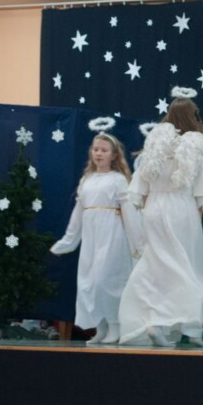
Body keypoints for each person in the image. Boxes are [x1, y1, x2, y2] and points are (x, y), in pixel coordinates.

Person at [118, 91, 203, 347]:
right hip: (182, 209)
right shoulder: (196, 145)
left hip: (154, 207)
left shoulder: (155, 144)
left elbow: (139, 188)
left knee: (156, 267)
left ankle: (155, 322)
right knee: (187, 267)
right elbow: (202, 194)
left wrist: (147, 211)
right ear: (193, 116)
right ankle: (189, 326)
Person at [50, 124, 143, 345]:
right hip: (92, 238)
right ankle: (100, 328)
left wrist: (137, 243)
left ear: (114, 155)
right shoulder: (87, 180)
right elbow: (78, 213)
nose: (98, 153)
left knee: (106, 281)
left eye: (104, 150)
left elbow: (129, 212)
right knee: (89, 282)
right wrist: (68, 241)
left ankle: (115, 325)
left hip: (112, 236)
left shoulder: (118, 180)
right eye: (96, 149)